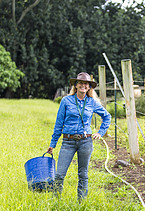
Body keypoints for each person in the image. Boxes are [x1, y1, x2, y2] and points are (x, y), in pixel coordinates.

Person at [47, 72, 111, 202]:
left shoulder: (92, 102)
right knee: (59, 174)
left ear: (89, 87)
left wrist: (100, 132)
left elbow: (107, 116)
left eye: (86, 84)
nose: (83, 85)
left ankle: (81, 202)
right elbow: (59, 123)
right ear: (75, 85)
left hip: (85, 141)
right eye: (81, 83)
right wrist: (53, 144)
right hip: (68, 141)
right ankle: (55, 201)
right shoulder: (66, 101)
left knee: (83, 174)